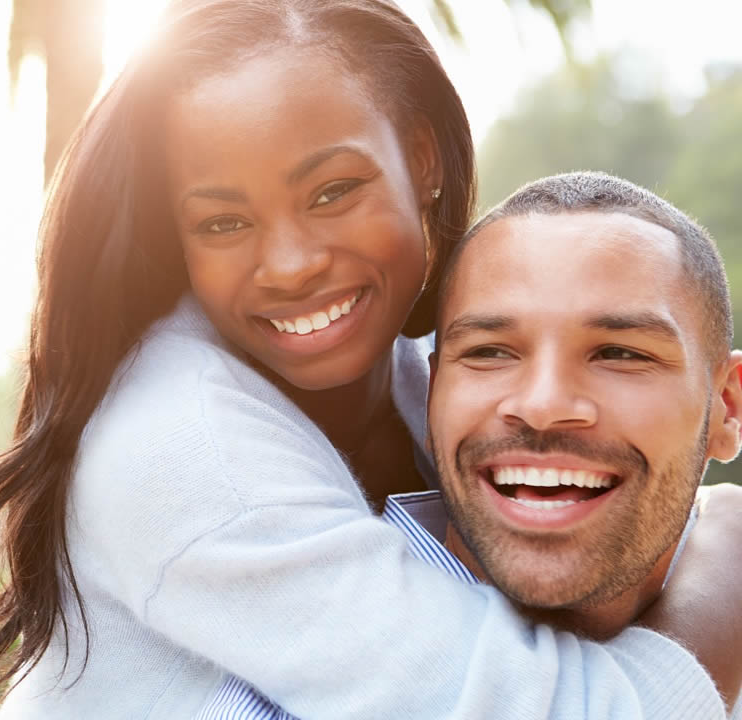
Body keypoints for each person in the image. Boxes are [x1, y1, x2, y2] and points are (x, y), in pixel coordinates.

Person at [0, 1, 742, 717]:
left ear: (421, 160)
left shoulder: (436, 380)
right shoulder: (184, 444)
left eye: (331, 192)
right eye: (222, 224)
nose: (290, 264)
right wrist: (721, 580)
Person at [206, 173, 742, 718]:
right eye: (490, 352)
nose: (542, 405)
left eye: (620, 354)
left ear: (728, 407)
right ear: (435, 390)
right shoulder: (288, 694)